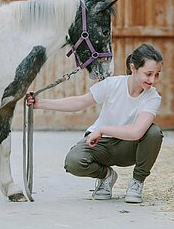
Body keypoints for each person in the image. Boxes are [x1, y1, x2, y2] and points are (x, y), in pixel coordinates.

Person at [26, 43, 164, 203]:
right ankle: (106, 176)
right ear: (133, 68)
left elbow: (136, 132)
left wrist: (103, 129)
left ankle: (137, 182)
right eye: (148, 74)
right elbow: (80, 102)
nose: (152, 80)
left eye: (157, 74)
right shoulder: (113, 84)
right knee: (74, 162)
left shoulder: (152, 97)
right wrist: (41, 103)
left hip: (128, 147)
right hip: (101, 144)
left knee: (153, 133)